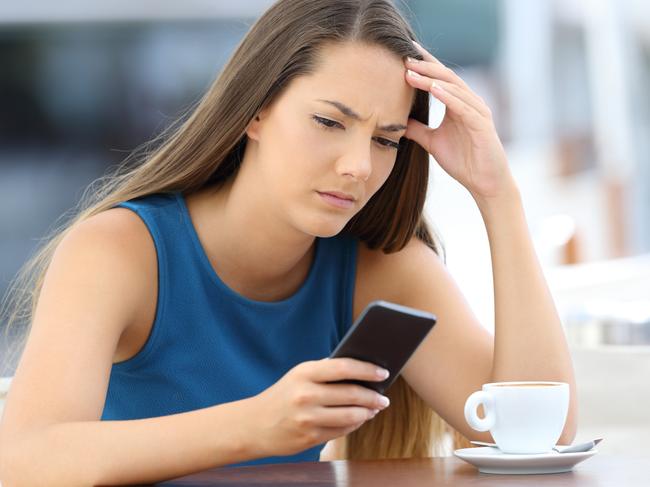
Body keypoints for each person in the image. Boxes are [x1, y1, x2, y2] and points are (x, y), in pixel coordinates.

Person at [0, 0, 578, 484]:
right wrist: (256, 426)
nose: (358, 166)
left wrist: (498, 196)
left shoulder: (376, 266)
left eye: (386, 139)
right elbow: (23, 461)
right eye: (329, 122)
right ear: (255, 111)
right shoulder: (122, 252)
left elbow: (540, 437)